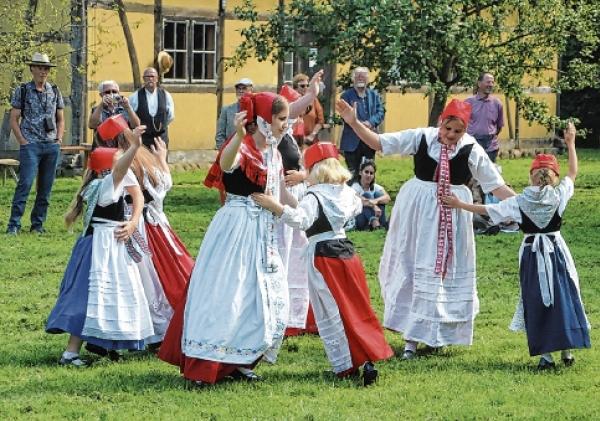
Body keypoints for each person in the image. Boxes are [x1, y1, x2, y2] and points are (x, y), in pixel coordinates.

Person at [336, 98, 515, 359]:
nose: (450, 135)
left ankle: (436, 334)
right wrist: (353, 122)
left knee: (442, 269)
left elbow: (495, 185)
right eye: (447, 129)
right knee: (413, 264)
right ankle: (411, 336)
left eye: (457, 131)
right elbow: (380, 143)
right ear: (440, 122)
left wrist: (525, 203)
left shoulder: (471, 149)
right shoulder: (422, 137)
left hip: (452, 211)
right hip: (417, 210)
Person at [159, 92, 296, 387]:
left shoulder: (274, 152)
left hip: (264, 234)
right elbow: (226, 164)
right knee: (227, 294)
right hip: (236, 229)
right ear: (262, 120)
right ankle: (207, 363)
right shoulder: (244, 147)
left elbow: (282, 193)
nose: (287, 124)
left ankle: (241, 358)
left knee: (257, 297)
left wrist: (309, 206)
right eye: (282, 119)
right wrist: (236, 133)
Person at [442, 122, 591, 370]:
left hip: (533, 253)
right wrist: (571, 143)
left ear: (532, 175)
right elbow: (573, 174)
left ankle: (546, 356)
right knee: (563, 295)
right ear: (553, 176)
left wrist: (460, 205)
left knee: (538, 299)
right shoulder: (559, 194)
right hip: (556, 250)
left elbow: (489, 210)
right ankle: (567, 351)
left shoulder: (520, 201)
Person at [253, 142, 394, 386]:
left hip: (323, 255)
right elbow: (352, 208)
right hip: (347, 252)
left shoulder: (315, 196)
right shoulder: (346, 191)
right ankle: (365, 357)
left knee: (332, 311)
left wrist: (274, 206)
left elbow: (301, 219)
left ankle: (347, 363)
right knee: (356, 308)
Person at [45, 127, 155, 366]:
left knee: (106, 295)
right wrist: (135, 146)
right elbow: (121, 170)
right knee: (91, 296)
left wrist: (134, 221)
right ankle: (71, 353)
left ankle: (103, 344)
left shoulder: (95, 183)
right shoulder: (105, 186)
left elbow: (132, 188)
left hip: (102, 244)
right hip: (103, 247)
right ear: (108, 167)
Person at [6, 53, 65, 235]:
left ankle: (37, 225)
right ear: (32, 69)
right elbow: (14, 119)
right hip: (30, 145)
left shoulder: (54, 90)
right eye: (39, 67)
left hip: (51, 145)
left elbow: (60, 118)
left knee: (45, 188)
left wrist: (59, 139)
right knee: (25, 184)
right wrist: (22, 140)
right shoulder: (22, 90)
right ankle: (14, 225)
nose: (43, 71)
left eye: (46, 68)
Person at [339, 67, 385, 176]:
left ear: (367, 79)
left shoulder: (374, 95)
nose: (360, 78)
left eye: (363, 76)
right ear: (353, 79)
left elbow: (380, 112)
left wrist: (370, 122)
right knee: (353, 174)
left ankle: (368, 192)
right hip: (351, 141)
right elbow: (344, 115)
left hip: (369, 139)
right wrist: (358, 124)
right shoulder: (345, 96)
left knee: (369, 171)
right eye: (358, 76)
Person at [129, 67, 175, 148]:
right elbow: (130, 118)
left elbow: (170, 116)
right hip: (143, 140)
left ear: (157, 79)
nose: (150, 79)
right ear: (143, 79)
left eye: (153, 76)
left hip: (161, 138)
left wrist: (161, 125)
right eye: (148, 76)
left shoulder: (166, 95)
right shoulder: (134, 96)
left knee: (161, 160)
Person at [465, 72, 504, 163]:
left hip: (491, 147)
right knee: (472, 174)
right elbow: (461, 123)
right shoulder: (468, 102)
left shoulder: (497, 103)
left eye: (492, 82)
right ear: (479, 84)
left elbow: (499, 126)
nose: (490, 85)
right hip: (472, 144)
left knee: (488, 175)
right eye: (488, 82)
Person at [89, 80, 140, 148]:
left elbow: (136, 125)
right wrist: (101, 105)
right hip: (102, 151)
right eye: (107, 92)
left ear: (118, 93)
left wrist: (128, 107)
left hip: (123, 151)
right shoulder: (97, 109)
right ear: (101, 95)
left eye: (114, 91)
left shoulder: (126, 109)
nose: (111, 94)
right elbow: (92, 125)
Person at [350, 159, 390, 230]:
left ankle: (379, 223)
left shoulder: (375, 186)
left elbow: (387, 198)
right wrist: (374, 206)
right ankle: (374, 222)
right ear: (360, 172)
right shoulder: (355, 186)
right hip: (360, 220)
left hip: (377, 217)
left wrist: (376, 201)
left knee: (379, 194)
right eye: (366, 172)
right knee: (366, 195)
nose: (369, 175)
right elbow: (362, 200)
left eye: (371, 173)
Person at [215, 78, 253, 149]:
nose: (240, 91)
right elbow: (220, 135)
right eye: (238, 88)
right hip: (232, 152)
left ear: (251, 90)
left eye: (244, 88)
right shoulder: (226, 110)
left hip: (250, 153)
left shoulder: (256, 109)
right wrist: (224, 152)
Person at [292, 73, 324, 147]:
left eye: (307, 85)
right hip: (294, 141)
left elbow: (320, 121)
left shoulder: (314, 100)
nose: (305, 88)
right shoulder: (291, 101)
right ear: (295, 87)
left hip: (310, 141)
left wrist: (312, 135)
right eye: (302, 86)